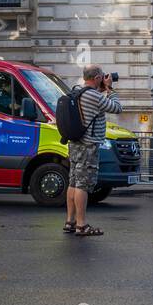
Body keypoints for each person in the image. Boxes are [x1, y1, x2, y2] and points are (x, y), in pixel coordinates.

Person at [64, 64, 122, 236]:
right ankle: (82, 225)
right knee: (83, 184)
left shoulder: (77, 92)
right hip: (88, 145)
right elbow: (117, 108)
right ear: (97, 78)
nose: (104, 79)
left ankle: (70, 221)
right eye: (102, 77)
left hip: (75, 143)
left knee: (73, 181)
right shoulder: (93, 96)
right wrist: (110, 88)